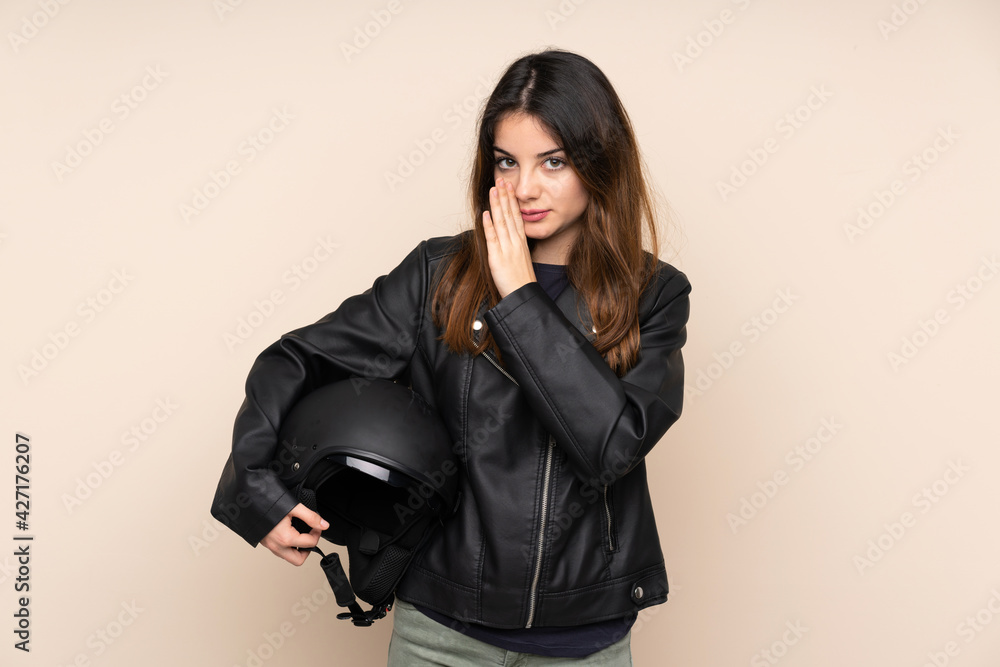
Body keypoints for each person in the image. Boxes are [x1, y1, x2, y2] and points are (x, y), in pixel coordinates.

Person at [211, 47, 691, 665]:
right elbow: (296, 359)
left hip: (586, 639)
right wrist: (255, 488)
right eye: (507, 161)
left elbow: (612, 448)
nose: (524, 188)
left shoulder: (654, 294)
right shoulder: (437, 275)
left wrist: (519, 295)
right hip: (440, 633)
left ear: (599, 162)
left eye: (554, 161)